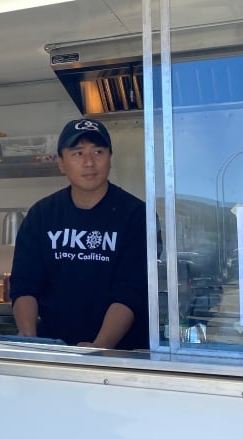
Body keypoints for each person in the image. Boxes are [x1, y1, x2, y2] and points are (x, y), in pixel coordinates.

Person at [9, 118, 149, 349]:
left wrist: (100, 346)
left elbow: (131, 291)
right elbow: (25, 285)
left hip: (122, 355)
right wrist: (30, 340)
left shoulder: (136, 215)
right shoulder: (41, 215)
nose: (89, 162)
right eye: (77, 153)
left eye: (98, 152)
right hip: (56, 351)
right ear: (61, 163)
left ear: (110, 159)